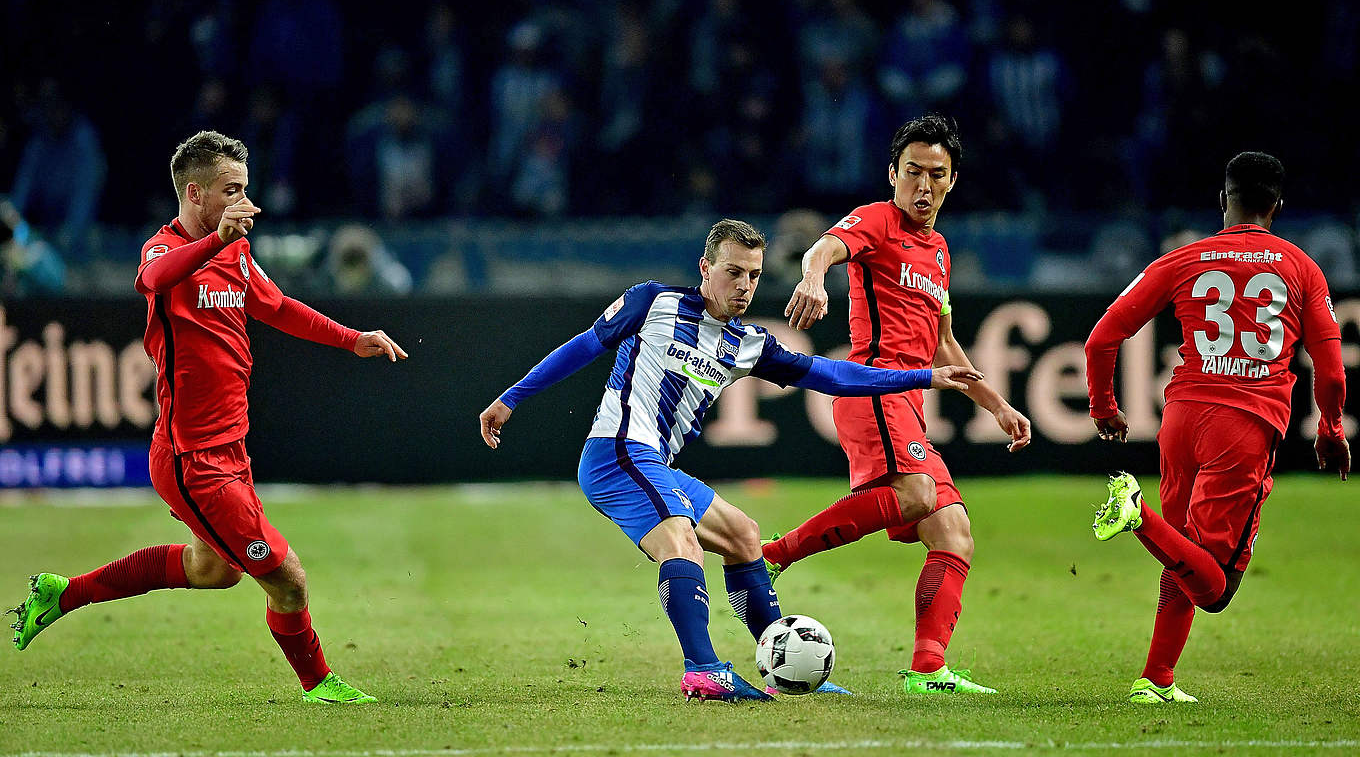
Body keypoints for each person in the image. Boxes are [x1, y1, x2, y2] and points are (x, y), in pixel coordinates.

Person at [478, 218, 983, 702]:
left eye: (754, 275)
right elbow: (584, 347)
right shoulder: (651, 302)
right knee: (680, 540)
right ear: (705, 267)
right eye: (733, 271)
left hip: (657, 464)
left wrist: (922, 377)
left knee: (743, 535)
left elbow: (834, 377)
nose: (744, 285)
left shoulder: (748, 345)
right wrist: (509, 400)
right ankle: (702, 671)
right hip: (616, 454)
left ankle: (776, 661)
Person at [8, 131, 409, 704]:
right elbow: (151, 280)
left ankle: (61, 593)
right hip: (193, 459)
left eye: (246, 189)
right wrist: (214, 242)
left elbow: (277, 306)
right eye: (232, 191)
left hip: (230, 448)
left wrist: (352, 340)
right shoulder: (162, 250)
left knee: (213, 570)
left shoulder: (237, 252)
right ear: (195, 194)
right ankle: (321, 686)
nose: (246, 204)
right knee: (288, 578)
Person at [762, 114, 1032, 695]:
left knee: (954, 532)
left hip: (910, 400)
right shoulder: (878, 220)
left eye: (938, 174)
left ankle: (928, 672)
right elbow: (824, 249)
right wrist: (812, 279)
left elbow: (943, 345)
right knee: (917, 494)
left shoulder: (938, 252)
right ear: (893, 174)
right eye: (913, 172)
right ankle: (775, 553)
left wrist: (997, 405)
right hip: (874, 388)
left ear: (953, 180)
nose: (924, 186)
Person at [1084, 151, 1348, 704]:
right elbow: (1329, 366)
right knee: (1217, 587)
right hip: (1245, 426)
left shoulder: (1184, 259)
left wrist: (1104, 405)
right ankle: (1135, 515)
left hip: (1182, 420)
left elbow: (1102, 338)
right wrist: (1330, 427)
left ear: (1222, 200)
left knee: (1185, 554)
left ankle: (1154, 680)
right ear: (1277, 205)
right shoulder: (1301, 267)